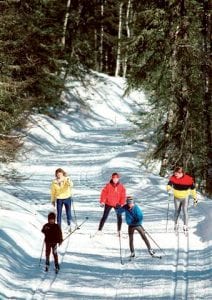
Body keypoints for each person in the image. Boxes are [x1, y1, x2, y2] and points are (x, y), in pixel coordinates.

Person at [167, 166, 197, 233]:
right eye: (175, 174)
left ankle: (185, 225)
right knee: (177, 211)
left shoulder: (188, 179)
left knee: (185, 211)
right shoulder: (173, 178)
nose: (175, 175)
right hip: (176, 197)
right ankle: (176, 224)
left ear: (181, 173)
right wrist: (168, 189)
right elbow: (169, 185)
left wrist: (195, 198)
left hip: (185, 197)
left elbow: (193, 189)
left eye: (176, 174)